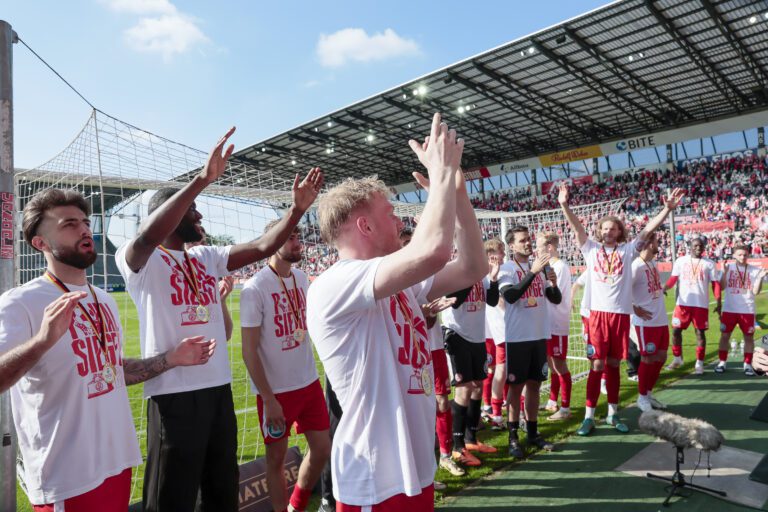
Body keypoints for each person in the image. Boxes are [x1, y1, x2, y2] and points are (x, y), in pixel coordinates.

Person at [115, 127, 324, 512]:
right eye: (192, 210)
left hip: (219, 390)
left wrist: (297, 210)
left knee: (221, 492)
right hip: (173, 395)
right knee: (171, 497)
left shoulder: (204, 258)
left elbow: (263, 246)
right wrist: (201, 180)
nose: (199, 214)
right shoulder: (141, 261)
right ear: (172, 214)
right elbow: (148, 235)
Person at [306, 113, 487, 510]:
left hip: (413, 468)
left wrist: (456, 192)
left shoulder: (396, 281)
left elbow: (474, 267)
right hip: (375, 478)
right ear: (365, 226)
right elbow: (434, 251)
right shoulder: (333, 284)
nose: (399, 218)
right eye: (390, 213)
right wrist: (439, 176)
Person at [0, 189, 214, 511]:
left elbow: (110, 371)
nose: (85, 230)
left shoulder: (105, 300)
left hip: (117, 462)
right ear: (40, 243)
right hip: (67, 477)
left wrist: (171, 359)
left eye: (85, 222)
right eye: (69, 224)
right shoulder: (20, 303)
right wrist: (43, 340)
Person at [558, 182, 684, 436]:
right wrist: (564, 205)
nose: (608, 231)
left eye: (613, 228)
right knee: (596, 366)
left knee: (614, 365)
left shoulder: (627, 251)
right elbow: (577, 227)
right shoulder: (590, 249)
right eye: (604, 228)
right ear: (599, 231)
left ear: (619, 232)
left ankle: (613, 414)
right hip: (597, 316)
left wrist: (667, 210)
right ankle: (589, 415)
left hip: (620, 316)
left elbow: (648, 230)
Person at [241, 221, 330, 512]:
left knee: (322, 449)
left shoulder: (303, 279)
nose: (297, 242)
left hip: (308, 382)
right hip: (276, 392)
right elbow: (249, 350)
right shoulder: (254, 288)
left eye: (297, 236)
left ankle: (297, 505)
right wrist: (269, 399)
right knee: (275, 460)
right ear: (272, 240)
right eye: (289, 237)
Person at [497, 225, 561, 457]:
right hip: (518, 338)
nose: (528, 243)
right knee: (516, 389)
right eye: (522, 240)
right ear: (511, 245)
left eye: (528, 240)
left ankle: (533, 433)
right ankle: (513, 438)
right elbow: (511, 296)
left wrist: (552, 282)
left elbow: (555, 299)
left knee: (535, 385)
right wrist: (533, 272)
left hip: (538, 336)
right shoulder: (506, 268)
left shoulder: (541, 267)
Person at [442, 247, 499, 466]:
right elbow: (455, 300)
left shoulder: (481, 276)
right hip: (457, 335)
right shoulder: (454, 272)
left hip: (477, 337)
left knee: (477, 386)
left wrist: (492, 281)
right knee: (464, 388)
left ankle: (471, 438)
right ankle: (458, 448)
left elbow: (492, 301)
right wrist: (471, 275)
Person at [664, 237, 720, 373]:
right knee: (676, 331)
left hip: (700, 305)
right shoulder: (681, 261)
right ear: (690, 246)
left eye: (700, 245)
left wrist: (718, 301)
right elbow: (673, 279)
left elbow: (715, 284)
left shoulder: (709, 263)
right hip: (682, 304)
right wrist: (664, 288)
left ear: (704, 247)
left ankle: (699, 363)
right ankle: (677, 358)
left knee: (700, 333)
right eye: (695, 245)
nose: (698, 248)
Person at [714, 245, 767, 376]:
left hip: (747, 310)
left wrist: (760, 277)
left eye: (745, 254)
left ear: (748, 255)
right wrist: (725, 272)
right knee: (725, 336)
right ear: (734, 255)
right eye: (739, 255)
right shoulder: (729, 268)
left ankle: (747, 364)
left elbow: (755, 291)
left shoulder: (755, 270)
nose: (742, 257)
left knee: (748, 337)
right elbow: (721, 287)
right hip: (729, 309)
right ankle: (722, 362)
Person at [630, 232, 669, 412]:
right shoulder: (636, 266)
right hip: (646, 322)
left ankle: (648, 392)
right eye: (656, 241)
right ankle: (642, 397)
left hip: (660, 319)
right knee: (647, 358)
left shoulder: (652, 263)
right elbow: (622, 290)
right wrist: (633, 307)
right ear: (648, 243)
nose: (658, 243)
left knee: (661, 358)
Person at [537, 232, 573, 421]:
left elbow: (549, 293)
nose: (536, 249)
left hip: (556, 323)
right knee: (552, 365)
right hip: (548, 323)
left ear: (549, 247)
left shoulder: (558, 267)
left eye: (540, 245)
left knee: (559, 365)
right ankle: (552, 401)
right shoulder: (554, 266)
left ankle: (565, 408)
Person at [484, 239, 508, 431]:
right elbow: (500, 302)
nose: (503, 255)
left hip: (504, 330)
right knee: (497, 370)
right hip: (500, 331)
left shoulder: (505, 269)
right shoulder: (490, 274)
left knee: (504, 371)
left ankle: (499, 409)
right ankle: (495, 412)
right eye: (500, 252)